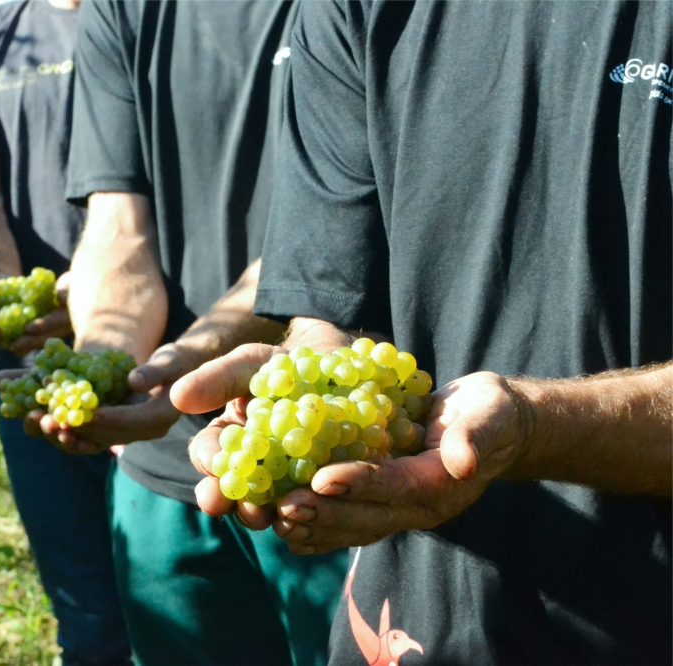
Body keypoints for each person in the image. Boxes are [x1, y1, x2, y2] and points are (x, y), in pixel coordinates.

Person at [172, 1, 672, 664]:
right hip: (401, 629)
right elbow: (331, 308)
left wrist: (534, 426)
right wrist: (311, 376)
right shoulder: (350, 10)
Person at [8, 1, 350, 663]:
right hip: (162, 469)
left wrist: (184, 363)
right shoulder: (120, 10)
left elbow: (325, 239)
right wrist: (108, 365)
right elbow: (116, 231)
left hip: (325, 459)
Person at [0, 2, 131, 663]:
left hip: (164, 361)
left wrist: (104, 298)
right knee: (87, 610)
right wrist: (2, 291)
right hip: (36, 369)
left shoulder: (152, 17)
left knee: (194, 615)